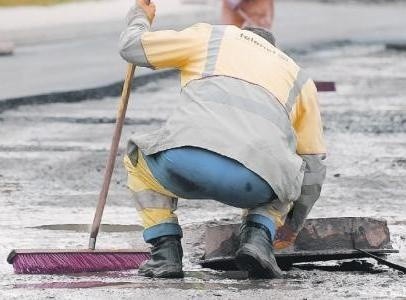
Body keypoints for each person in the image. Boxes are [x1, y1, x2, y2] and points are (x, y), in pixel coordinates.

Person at [118, 0, 326, 279]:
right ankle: (258, 239)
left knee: (136, 158)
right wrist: (288, 230)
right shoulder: (300, 79)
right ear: (274, 53)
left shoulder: (212, 37)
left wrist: (139, 16)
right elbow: (312, 169)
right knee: (287, 172)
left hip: (185, 161)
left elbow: (132, 47)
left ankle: (165, 254)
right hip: (254, 183)